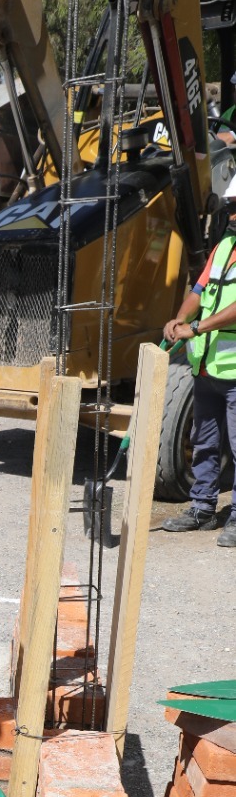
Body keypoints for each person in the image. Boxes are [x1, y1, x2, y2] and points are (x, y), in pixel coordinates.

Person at [162, 173, 236, 546]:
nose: (233, 217)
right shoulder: (223, 248)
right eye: (233, 208)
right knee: (204, 441)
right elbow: (199, 289)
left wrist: (199, 327)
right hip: (207, 369)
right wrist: (181, 318)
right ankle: (203, 507)